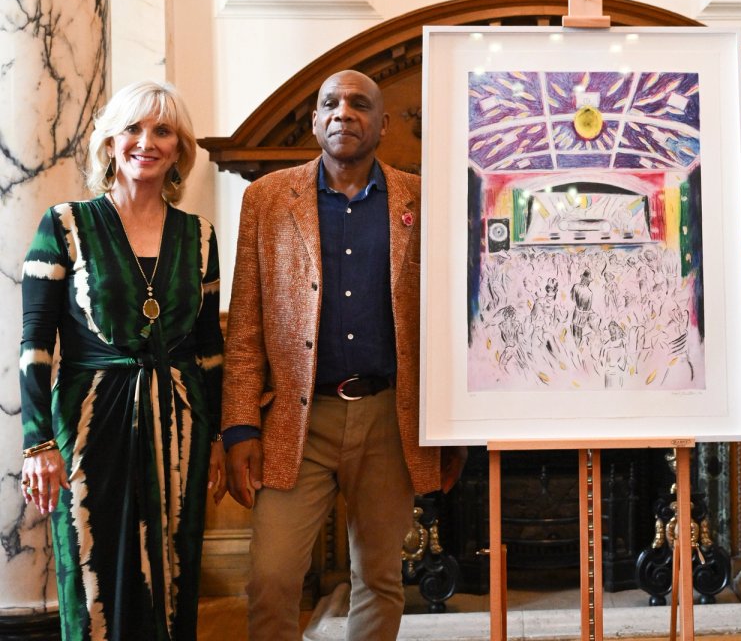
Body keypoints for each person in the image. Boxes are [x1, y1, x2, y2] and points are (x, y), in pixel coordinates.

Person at [221, 69, 466, 640]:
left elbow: (450, 317)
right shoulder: (266, 199)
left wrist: (453, 430)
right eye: (330, 103)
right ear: (314, 121)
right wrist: (238, 429)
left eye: (360, 104)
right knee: (272, 577)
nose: (343, 113)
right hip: (295, 420)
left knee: (379, 579)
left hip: (390, 418)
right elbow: (246, 328)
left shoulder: (422, 199)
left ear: (382, 124)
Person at [19, 81, 225, 640]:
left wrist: (220, 437)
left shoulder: (199, 235)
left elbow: (208, 350)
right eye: (132, 128)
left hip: (180, 428)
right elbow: (36, 344)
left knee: (173, 576)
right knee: (93, 581)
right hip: (89, 425)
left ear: (180, 148)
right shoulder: (65, 225)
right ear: (109, 142)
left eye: (162, 131)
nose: (146, 142)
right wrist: (38, 444)